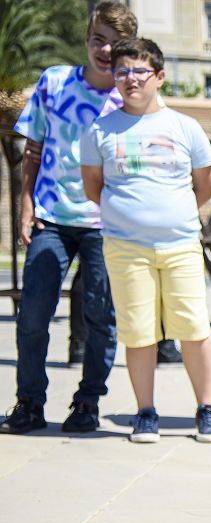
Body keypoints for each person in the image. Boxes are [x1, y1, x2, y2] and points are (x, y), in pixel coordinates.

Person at [1, 2, 136, 436]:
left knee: (100, 316)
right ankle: (29, 402)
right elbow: (34, 150)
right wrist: (26, 207)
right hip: (51, 218)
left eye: (115, 45)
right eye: (98, 39)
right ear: (86, 38)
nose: (104, 50)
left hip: (106, 225)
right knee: (34, 314)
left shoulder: (130, 95)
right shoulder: (54, 81)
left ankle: (87, 402)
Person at [80, 37, 211, 443]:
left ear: (158, 76)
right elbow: (95, 187)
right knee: (137, 332)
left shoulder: (185, 127)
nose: (130, 79)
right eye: (122, 71)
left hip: (180, 245)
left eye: (139, 71)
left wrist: (168, 215)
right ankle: (145, 412)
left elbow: (205, 186)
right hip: (126, 248)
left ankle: (207, 408)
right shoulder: (100, 130)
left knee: (193, 328)